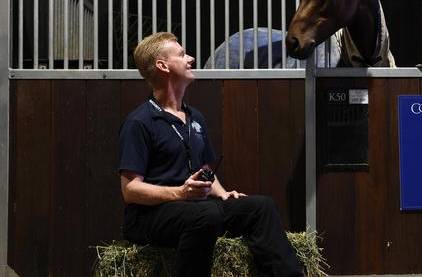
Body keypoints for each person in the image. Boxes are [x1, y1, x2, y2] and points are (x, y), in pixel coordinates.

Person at [118, 32, 304, 277]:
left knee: (261, 207)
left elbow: (205, 169)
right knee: (206, 213)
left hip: (196, 209)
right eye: (183, 54)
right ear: (163, 66)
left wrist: (223, 194)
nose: (191, 59)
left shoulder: (195, 117)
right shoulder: (140, 122)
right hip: (151, 215)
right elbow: (130, 190)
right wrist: (180, 193)